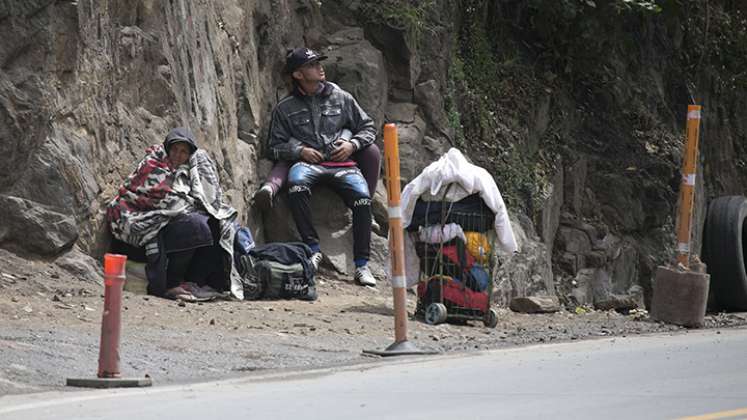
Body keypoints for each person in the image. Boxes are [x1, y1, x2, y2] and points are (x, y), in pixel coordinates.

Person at [266, 47, 377, 286]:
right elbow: (273, 146)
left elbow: (368, 127)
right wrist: (299, 151)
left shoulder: (342, 97)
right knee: (296, 186)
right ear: (298, 75)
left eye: (318, 63)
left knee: (363, 199)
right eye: (312, 65)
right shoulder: (284, 108)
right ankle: (312, 249)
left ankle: (362, 265)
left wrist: (352, 144)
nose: (320, 68)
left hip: (343, 164)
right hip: (308, 165)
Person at [107, 127, 244, 300]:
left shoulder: (192, 171)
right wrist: (182, 207)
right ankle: (171, 284)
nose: (178, 155)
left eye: (183, 152)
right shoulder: (154, 164)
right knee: (196, 226)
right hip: (141, 232)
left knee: (217, 224)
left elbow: (207, 200)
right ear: (167, 149)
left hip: (168, 229)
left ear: (190, 155)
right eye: (175, 150)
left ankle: (198, 281)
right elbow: (144, 195)